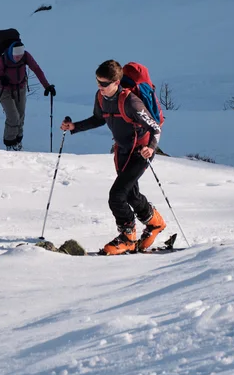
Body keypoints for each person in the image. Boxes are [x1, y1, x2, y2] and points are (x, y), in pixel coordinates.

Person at [60, 59, 166, 255]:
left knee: (116, 196)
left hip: (140, 152)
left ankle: (127, 237)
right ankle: (155, 223)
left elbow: (155, 126)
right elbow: (98, 119)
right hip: (122, 151)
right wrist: (75, 127)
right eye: (98, 82)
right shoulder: (101, 98)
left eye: (105, 84)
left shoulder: (131, 102)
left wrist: (151, 148)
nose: (100, 87)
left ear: (117, 82)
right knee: (131, 194)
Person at [0, 39, 55, 151]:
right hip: (4, 90)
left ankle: (18, 140)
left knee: (20, 116)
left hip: (20, 88)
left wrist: (47, 86)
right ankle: (10, 143)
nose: (19, 58)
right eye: (17, 56)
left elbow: (36, 69)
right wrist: (2, 81)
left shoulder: (25, 56)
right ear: (12, 54)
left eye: (20, 56)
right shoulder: (2, 60)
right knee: (13, 117)